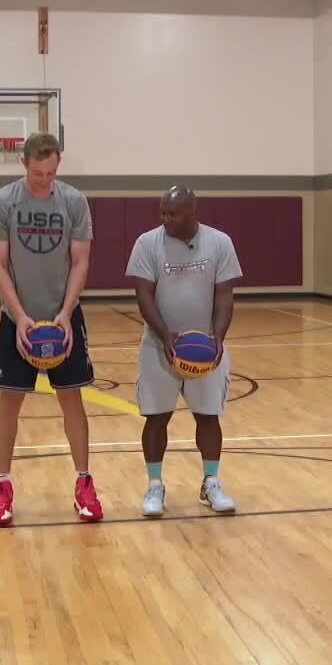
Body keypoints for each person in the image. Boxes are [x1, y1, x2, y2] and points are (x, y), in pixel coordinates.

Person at [0, 131, 102, 526]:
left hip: (63, 317)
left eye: (51, 173)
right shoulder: (2, 203)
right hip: (17, 318)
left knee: (72, 400)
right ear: (24, 164)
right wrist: (19, 316)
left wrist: (66, 312)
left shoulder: (74, 202)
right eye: (38, 173)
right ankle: (2, 487)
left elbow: (80, 261)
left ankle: (84, 483)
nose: (45, 180)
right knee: (9, 402)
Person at [125, 185, 240, 517]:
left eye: (173, 213)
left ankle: (211, 482)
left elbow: (224, 295)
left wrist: (218, 338)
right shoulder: (147, 243)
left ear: (193, 212)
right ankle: (154, 485)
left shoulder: (219, 243)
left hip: (204, 347)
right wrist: (164, 335)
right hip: (158, 345)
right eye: (162, 212)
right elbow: (144, 295)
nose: (165, 218)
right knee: (156, 417)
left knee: (208, 416)